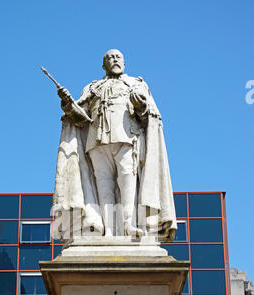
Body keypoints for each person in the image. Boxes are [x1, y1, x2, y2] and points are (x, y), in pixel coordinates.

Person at [54, 49, 177, 240]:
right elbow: (78, 118)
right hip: (97, 142)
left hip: (128, 138)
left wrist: (141, 106)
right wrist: (68, 103)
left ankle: (129, 225)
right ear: (103, 65)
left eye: (118, 57)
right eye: (110, 57)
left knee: (127, 181)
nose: (114, 60)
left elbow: (150, 116)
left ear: (124, 63)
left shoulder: (136, 84)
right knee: (104, 185)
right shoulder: (92, 87)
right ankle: (109, 229)